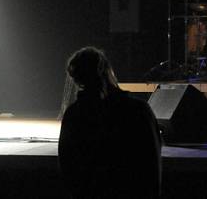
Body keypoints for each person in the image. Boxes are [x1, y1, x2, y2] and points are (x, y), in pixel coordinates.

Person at [58, 46, 162, 198]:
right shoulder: (138, 110)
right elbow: (152, 164)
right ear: (108, 71)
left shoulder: (75, 114)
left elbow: (68, 169)